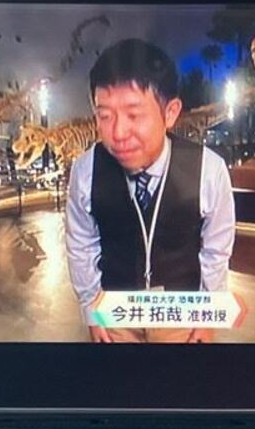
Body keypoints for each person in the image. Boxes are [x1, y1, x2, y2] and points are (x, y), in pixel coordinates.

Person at [65, 38, 235, 343]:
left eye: (134, 115)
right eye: (105, 116)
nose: (118, 133)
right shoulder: (85, 170)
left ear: (170, 112)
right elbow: (81, 245)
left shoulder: (209, 170)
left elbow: (216, 250)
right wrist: (91, 308)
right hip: (115, 315)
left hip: (181, 317)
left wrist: (207, 317)